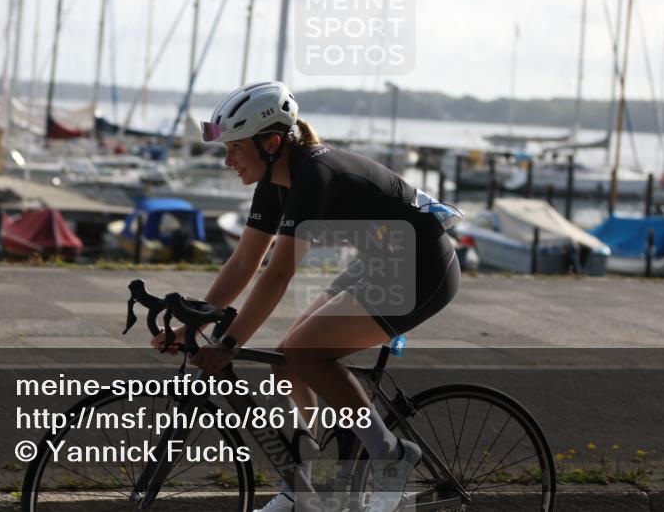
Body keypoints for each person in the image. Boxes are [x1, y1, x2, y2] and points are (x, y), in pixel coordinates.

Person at [152, 81, 461, 512]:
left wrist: (227, 345)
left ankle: (391, 455)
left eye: (235, 148)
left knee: (304, 351)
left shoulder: (315, 175)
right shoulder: (274, 180)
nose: (228, 161)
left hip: (423, 267)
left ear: (272, 142)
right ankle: (303, 490)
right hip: (380, 263)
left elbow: (278, 275)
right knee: (287, 359)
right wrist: (196, 322)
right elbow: (243, 264)